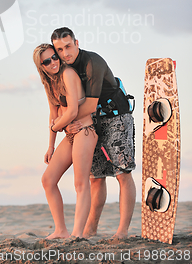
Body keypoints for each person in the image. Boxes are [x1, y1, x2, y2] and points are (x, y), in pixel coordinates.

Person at [51, 27, 136, 240]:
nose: (65, 53)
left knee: (122, 172)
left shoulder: (92, 63)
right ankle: (90, 230)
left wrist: (63, 122)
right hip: (92, 122)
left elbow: (88, 105)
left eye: (68, 46)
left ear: (76, 43)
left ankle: (122, 232)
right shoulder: (62, 70)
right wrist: (67, 123)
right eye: (59, 49)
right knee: (96, 178)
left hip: (117, 116)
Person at [33, 43, 98, 239]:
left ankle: (77, 234)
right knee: (48, 180)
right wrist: (51, 144)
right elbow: (53, 113)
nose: (53, 62)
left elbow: (71, 112)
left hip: (85, 130)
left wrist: (57, 126)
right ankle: (61, 230)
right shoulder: (49, 83)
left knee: (80, 183)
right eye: (47, 61)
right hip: (70, 134)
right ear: (41, 66)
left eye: (55, 57)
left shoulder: (68, 74)